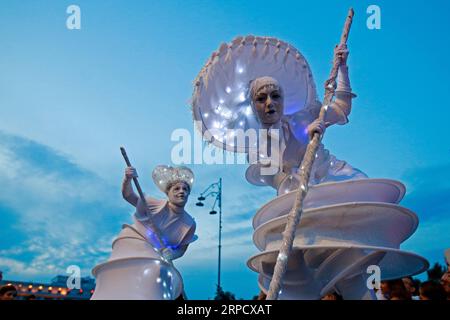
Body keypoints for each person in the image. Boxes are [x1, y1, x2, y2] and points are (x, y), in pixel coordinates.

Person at [121, 165, 197, 260]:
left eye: (185, 189)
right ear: (168, 193)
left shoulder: (189, 224)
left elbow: (181, 250)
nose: (181, 191)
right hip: (133, 247)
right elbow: (128, 196)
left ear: (188, 194)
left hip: (155, 260)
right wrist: (127, 179)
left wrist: (172, 254)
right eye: (176, 189)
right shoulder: (153, 204)